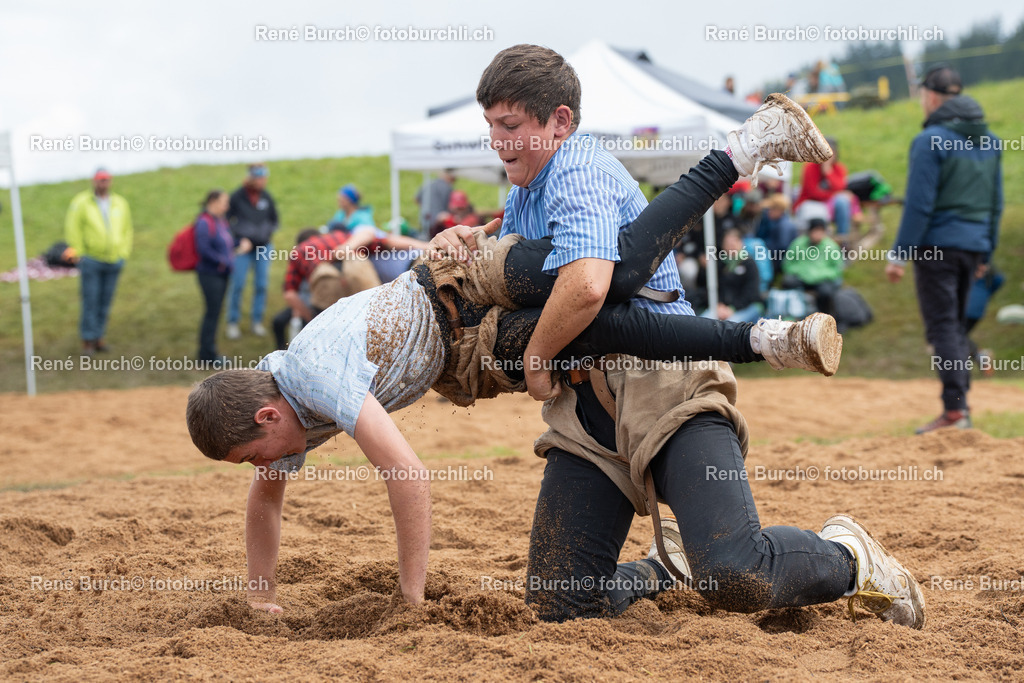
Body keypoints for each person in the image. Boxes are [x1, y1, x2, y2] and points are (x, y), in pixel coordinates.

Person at [187, 149, 848, 612]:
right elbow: (264, 498)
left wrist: (410, 598)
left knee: (606, 281)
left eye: (252, 454)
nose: (263, 467)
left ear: (267, 419)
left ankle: (734, 172)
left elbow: (408, 475)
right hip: (467, 350)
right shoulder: (273, 399)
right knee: (595, 327)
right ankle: (765, 337)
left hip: (462, 285)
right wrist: (259, 594)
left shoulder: (310, 374)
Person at [431, 45, 923, 629]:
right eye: (490, 126)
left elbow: (589, 286)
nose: (496, 140)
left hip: (666, 381)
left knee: (736, 572)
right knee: (562, 610)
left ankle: (851, 558)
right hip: (587, 406)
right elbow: (531, 272)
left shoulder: (578, 168)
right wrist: (471, 239)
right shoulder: (526, 191)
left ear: (559, 121)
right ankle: (664, 571)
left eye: (510, 126)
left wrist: (535, 354)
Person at [885, 64, 1002, 434]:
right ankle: (960, 408)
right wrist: (986, 253)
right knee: (953, 326)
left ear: (932, 97)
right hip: (974, 247)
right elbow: (996, 204)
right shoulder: (991, 142)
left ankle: (955, 412)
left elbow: (919, 204)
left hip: (937, 248)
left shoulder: (928, 141)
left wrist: (899, 253)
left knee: (942, 329)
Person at [64, 168, 133, 355]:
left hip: (114, 259)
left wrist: (123, 252)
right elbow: (73, 228)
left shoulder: (119, 203)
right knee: (91, 300)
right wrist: (79, 251)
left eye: (106, 179)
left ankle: (99, 337)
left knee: (105, 300)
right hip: (91, 260)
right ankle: (88, 339)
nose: (103, 183)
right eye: (100, 180)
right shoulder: (82, 203)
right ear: (94, 181)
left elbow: (127, 229)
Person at [226, 163, 279, 340]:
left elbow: (274, 220)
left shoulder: (266, 197)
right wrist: (238, 239)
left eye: (265, 178)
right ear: (251, 178)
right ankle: (233, 321)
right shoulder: (237, 197)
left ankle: (257, 321)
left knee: (261, 284)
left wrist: (265, 233)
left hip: (263, 247)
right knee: (238, 284)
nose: (263, 181)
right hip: (243, 248)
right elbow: (227, 222)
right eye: (260, 178)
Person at [193, 190, 235, 365]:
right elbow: (203, 249)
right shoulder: (204, 222)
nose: (227, 205)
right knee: (212, 312)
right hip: (210, 274)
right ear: (213, 201)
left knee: (215, 312)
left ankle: (209, 352)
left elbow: (226, 242)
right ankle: (207, 354)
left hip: (221, 273)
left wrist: (240, 243)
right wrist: (223, 261)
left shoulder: (220, 221)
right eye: (224, 201)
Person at [794, 139, 861, 243]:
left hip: (830, 205)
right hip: (811, 203)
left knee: (842, 202)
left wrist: (828, 172)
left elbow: (841, 187)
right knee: (839, 199)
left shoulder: (838, 169)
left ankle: (842, 240)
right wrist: (834, 195)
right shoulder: (810, 167)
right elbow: (813, 192)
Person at [271, 228, 321, 351]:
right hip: (301, 303)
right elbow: (290, 291)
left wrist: (307, 313)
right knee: (278, 321)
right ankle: (281, 350)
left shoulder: (323, 264)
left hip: (316, 307)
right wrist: (297, 307)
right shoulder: (299, 263)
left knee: (306, 329)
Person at [782, 218, 844, 315]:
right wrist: (801, 272)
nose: (817, 235)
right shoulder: (798, 243)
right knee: (788, 282)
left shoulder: (831, 246)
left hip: (822, 279)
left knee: (826, 292)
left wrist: (820, 275)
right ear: (809, 231)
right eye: (815, 231)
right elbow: (787, 264)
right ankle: (794, 313)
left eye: (821, 231)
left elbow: (837, 269)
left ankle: (826, 316)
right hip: (801, 278)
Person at [707, 229, 763, 323]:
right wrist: (719, 304)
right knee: (705, 320)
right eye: (728, 243)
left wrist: (733, 308)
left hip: (747, 306)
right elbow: (715, 287)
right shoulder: (720, 264)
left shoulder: (748, 263)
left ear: (741, 243)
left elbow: (751, 292)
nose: (731, 246)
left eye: (734, 242)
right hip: (722, 308)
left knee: (730, 326)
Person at [415, 170, 456, 236]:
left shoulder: (428, 184)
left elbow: (417, 199)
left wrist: (426, 207)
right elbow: (451, 206)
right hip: (440, 224)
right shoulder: (447, 187)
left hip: (426, 220)